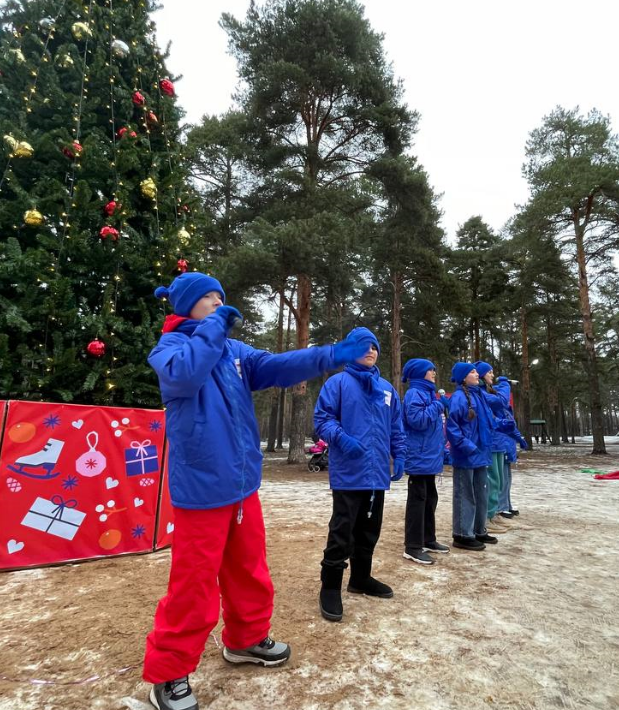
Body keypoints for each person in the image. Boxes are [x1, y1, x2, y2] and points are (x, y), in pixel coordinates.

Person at [144, 272, 371, 710]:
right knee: (193, 585)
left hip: (242, 486)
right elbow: (187, 376)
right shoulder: (171, 350)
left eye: (220, 297)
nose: (216, 302)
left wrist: (327, 355)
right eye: (207, 298)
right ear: (184, 305)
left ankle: (245, 640)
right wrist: (214, 328)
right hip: (201, 490)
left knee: (248, 568)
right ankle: (169, 673)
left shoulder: (234, 352)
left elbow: (276, 366)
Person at [313, 327, 407, 623]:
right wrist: (341, 438)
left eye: (375, 347)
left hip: (377, 472)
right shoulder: (337, 383)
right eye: (363, 346)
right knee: (342, 531)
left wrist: (400, 453)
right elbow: (323, 419)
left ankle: (361, 578)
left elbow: (396, 426)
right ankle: (330, 586)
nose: (370, 351)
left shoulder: (387, 389)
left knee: (369, 529)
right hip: (349, 472)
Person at [399, 358, 449, 565]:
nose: (434, 373)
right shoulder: (414, 394)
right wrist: (438, 405)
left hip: (429, 456)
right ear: (421, 373)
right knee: (417, 502)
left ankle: (428, 539)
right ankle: (412, 546)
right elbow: (417, 421)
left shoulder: (428, 393)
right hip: (418, 457)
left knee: (430, 499)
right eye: (431, 369)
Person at [445, 362, 497, 551]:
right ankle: (462, 534)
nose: (477, 374)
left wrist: (504, 426)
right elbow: (452, 428)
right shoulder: (459, 397)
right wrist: (467, 447)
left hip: (481, 453)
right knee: (465, 494)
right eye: (472, 372)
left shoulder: (480, 395)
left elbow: (488, 421)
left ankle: (478, 529)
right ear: (463, 377)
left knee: (481, 493)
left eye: (476, 371)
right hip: (466, 455)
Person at [474, 361, 524, 533]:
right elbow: (501, 402)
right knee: (492, 481)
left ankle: (493, 514)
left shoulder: (487, 391)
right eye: (489, 372)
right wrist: (504, 385)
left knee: (498, 480)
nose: (492, 376)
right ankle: (487, 517)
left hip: (498, 443)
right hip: (490, 443)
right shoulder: (480, 394)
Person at [494, 375, 526, 518]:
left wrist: (519, 439)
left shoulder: (506, 409)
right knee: (501, 479)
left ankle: (506, 504)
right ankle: (500, 507)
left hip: (507, 445)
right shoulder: (497, 407)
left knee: (507, 478)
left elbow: (512, 427)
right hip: (500, 444)